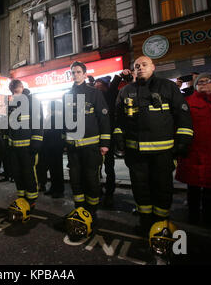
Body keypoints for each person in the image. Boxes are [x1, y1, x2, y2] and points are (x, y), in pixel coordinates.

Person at [114, 56, 194, 236]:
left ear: (153, 67)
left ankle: (161, 225)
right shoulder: (126, 91)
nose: (140, 68)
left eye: (144, 65)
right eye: (137, 66)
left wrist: (183, 142)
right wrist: (118, 136)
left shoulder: (168, 87)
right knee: (140, 190)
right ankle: (145, 223)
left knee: (162, 189)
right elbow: (118, 118)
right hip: (136, 154)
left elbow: (183, 115)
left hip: (162, 153)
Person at [175, 74, 211, 227]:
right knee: (193, 186)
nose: (205, 84)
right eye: (201, 82)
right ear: (195, 85)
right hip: (195, 151)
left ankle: (209, 216)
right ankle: (193, 215)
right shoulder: (188, 102)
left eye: (208, 81)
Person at [63, 61, 111, 225]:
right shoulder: (66, 95)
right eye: (73, 72)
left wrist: (105, 142)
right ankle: (79, 209)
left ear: (84, 74)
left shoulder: (94, 93)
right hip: (73, 148)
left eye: (78, 72)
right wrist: (65, 140)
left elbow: (103, 118)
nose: (75, 74)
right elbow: (65, 121)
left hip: (91, 147)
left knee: (91, 179)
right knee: (75, 179)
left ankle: (92, 211)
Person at [7, 80, 43, 211]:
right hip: (14, 147)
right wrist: (8, 141)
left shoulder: (32, 101)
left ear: (22, 88)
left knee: (28, 173)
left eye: (16, 91)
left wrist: (36, 141)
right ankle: (21, 197)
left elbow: (38, 122)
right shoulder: (11, 104)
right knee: (17, 173)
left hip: (28, 146)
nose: (14, 94)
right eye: (12, 92)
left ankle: (31, 200)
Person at [94, 74, 122, 208]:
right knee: (95, 168)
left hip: (108, 138)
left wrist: (119, 76)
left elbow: (113, 87)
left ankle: (109, 194)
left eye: (99, 83)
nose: (96, 85)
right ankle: (97, 190)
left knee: (109, 168)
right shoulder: (94, 97)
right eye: (95, 83)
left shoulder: (110, 96)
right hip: (95, 138)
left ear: (105, 85)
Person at [39, 101, 65, 198]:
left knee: (57, 169)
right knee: (52, 169)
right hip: (49, 147)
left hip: (55, 147)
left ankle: (59, 190)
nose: (47, 108)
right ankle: (54, 188)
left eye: (49, 107)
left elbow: (52, 133)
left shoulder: (57, 117)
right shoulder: (51, 117)